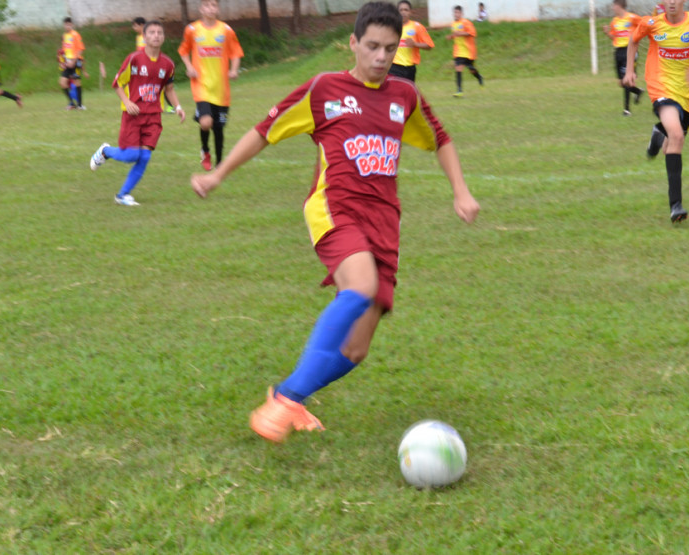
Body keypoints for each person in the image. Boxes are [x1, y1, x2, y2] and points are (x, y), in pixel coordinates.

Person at [190, 2, 480, 443]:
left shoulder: (405, 97)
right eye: (372, 47)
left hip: (384, 223)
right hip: (335, 209)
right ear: (353, 43)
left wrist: (461, 190)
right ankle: (285, 400)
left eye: (389, 48)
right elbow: (263, 131)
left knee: (356, 348)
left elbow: (441, 139)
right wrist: (218, 173)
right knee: (360, 287)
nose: (381, 57)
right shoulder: (324, 89)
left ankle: (291, 393)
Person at [624, 0, 689, 223]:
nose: (670, 2)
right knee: (677, 135)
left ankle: (658, 132)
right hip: (661, 87)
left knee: (672, 144)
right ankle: (675, 205)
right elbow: (633, 40)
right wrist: (630, 70)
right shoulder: (651, 23)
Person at [89, 20, 185, 206]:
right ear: (144, 36)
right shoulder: (134, 59)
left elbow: (169, 89)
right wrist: (127, 101)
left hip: (154, 116)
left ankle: (123, 195)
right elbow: (117, 83)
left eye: (159, 32)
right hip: (133, 115)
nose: (156, 35)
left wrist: (178, 107)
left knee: (145, 156)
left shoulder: (168, 64)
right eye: (152, 32)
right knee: (132, 156)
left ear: (163, 37)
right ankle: (105, 151)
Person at [178, 0, 244, 171]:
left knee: (219, 128)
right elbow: (184, 51)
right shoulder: (192, 30)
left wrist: (234, 70)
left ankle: (220, 164)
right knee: (206, 122)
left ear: (217, 9)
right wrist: (189, 67)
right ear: (201, 9)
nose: (210, 8)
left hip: (221, 88)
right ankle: (205, 151)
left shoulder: (226, 30)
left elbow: (236, 53)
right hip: (201, 86)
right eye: (207, 5)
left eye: (214, 5)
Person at [603, 0, 643, 116]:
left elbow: (644, 25)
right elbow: (614, 37)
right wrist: (607, 33)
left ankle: (627, 110)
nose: (612, 8)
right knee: (621, 82)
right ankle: (638, 91)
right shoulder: (614, 21)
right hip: (618, 52)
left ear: (619, 6)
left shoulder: (632, 18)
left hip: (629, 51)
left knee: (626, 80)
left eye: (613, 6)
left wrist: (637, 38)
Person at [134, 16, 175, 114]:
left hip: (153, 65)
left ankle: (171, 106)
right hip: (142, 66)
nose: (134, 28)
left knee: (163, 87)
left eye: (135, 26)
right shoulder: (138, 38)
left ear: (142, 26)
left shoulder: (150, 37)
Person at [388, 1, 434, 82]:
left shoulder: (417, 27)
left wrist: (415, 44)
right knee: (395, 92)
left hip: (410, 68)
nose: (403, 12)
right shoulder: (391, 27)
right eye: (401, 10)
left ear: (410, 12)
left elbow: (429, 46)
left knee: (408, 93)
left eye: (406, 10)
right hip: (394, 66)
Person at [447, 5, 483, 97]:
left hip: (469, 51)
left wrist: (460, 33)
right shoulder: (453, 24)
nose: (456, 14)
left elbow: (472, 33)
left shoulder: (466, 22)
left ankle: (479, 77)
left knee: (471, 70)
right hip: (458, 51)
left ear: (461, 13)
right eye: (455, 12)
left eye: (458, 12)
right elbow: (455, 34)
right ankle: (459, 91)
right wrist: (451, 36)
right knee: (458, 68)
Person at [60, 17, 85, 110]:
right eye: (66, 24)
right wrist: (63, 62)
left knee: (77, 82)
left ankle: (80, 105)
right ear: (64, 25)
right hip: (67, 62)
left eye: (69, 24)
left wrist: (73, 61)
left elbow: (80, 49)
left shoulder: (75, 35)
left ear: (72, 25)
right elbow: (64, 50)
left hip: (76, 61)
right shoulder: (64, 36)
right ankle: (72, 103)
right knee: (62, 83)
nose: (67, 26)